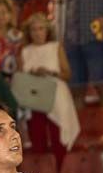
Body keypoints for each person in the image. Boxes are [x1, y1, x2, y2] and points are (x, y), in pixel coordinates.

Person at [19, 12, 81, 155]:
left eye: (41, 28)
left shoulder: (56, 47)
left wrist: (50, 72)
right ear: (29, 32)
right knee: (37, 141)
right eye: (34, 29)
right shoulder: (25, 51)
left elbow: (67, 74)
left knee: (58, 141)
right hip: (34, 100)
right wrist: (32, 74)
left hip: (57, 98)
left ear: (47, 30)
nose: (38, 33)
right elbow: (20, 78)